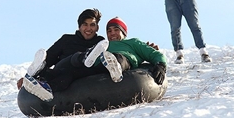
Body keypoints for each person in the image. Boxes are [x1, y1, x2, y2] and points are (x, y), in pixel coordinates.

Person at [23, 17, 167, 102]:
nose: (112, 33)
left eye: (116, 29)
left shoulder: (133, 43)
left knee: (119, 58)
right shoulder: (104, 44)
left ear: (123, 32)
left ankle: (114, 66)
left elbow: (154, 54)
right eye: (109, 31)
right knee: (71, 74)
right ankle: (43, 81)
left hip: (124, 60)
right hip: (98, 65)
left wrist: (160, 65)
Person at [16, 8, 105, 89]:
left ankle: (87, 57)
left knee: (73, 74)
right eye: (85, 24)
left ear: (97, 27)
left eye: (92, 25)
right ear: (79, 26)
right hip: (62, 72)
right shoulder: (67, 40)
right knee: (54, 71)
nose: (89, 28)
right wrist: (29, 77)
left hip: (84, 77)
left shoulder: (100, 43)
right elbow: (48, 59)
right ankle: (85, 57)